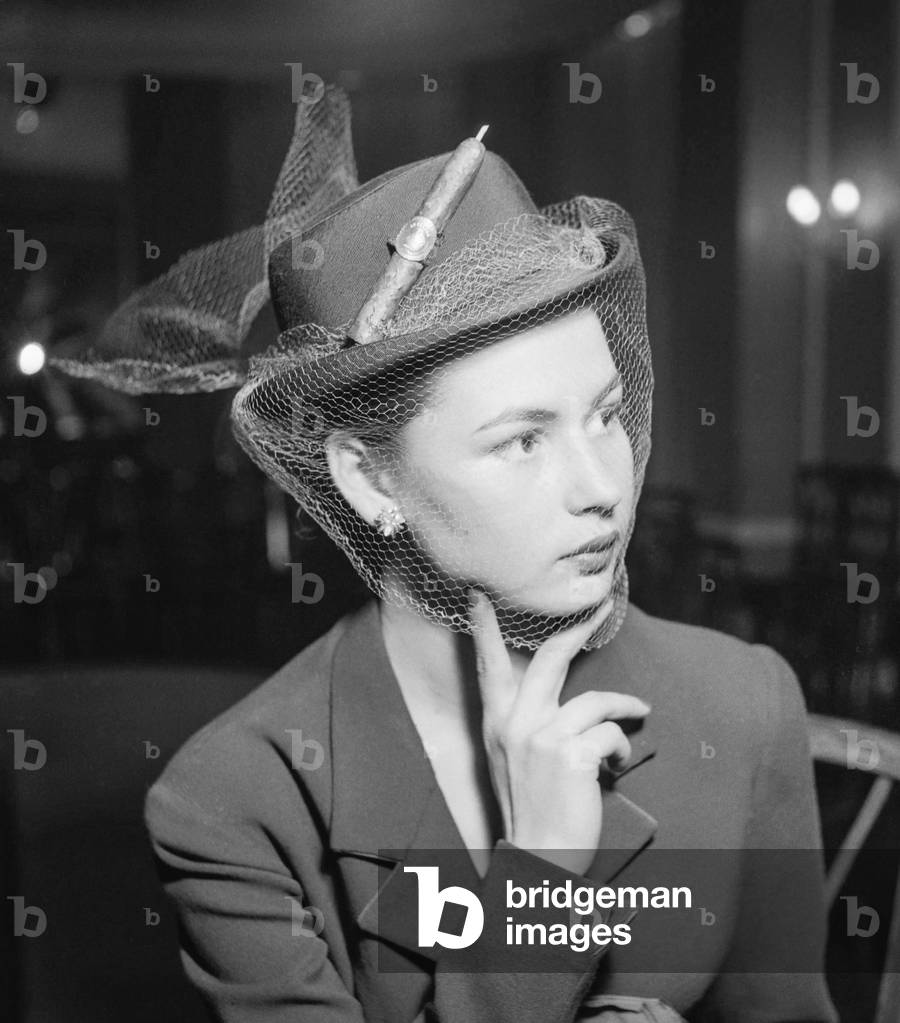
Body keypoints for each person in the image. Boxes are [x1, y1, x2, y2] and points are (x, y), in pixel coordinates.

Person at [50, 84, 840, 1023]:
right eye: (523, 439)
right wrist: (539, 871)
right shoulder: (233, 802)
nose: (602, 484)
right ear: (370, 481)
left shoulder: (744, 703)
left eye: (606, 415)